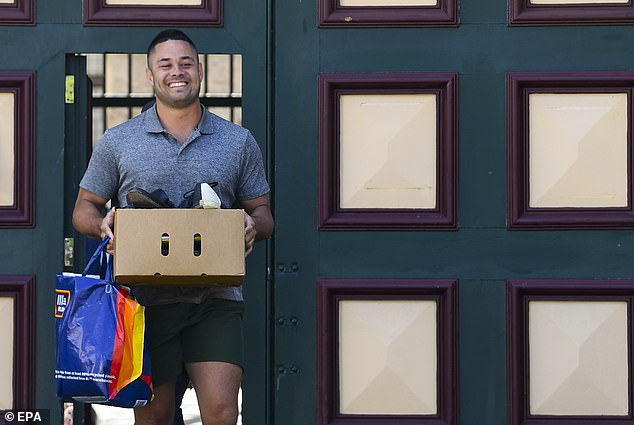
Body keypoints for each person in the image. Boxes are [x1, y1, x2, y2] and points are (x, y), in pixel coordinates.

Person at [72, 29, 274, 425]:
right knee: (155, 417)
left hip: (215, 300)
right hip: (144, 304)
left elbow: (264, 213)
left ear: (199, 71)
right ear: (150, 75)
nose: (176, 71)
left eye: (185, 63)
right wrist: (102, 227)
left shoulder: (238, 141)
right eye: (165, 64)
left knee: (221, 412)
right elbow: (84, 207)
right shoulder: (118, 141)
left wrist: (252, 225)